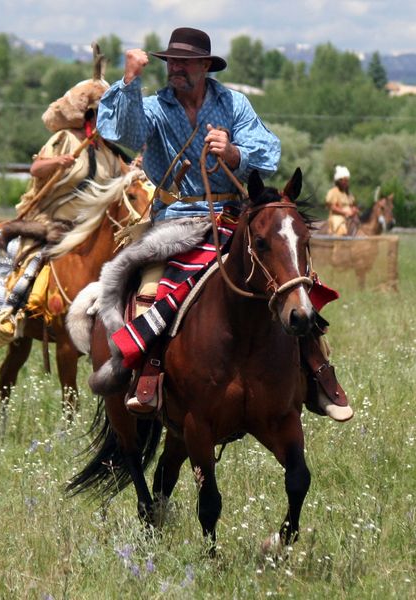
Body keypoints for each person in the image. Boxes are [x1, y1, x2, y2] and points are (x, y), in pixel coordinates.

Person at [94, 27, 352, 422]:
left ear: (205, 66)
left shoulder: (234, 104)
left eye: (184, 62)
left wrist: (233, 154)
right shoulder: (154, 107)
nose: (175, 68)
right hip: (176, 223)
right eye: (171, 62)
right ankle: (149, 375)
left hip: (235, 217)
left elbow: (268, 151)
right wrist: (129, 81)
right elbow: (121, 133)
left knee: (291, 282)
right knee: (153, 287)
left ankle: (319, 377)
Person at [0, 67, 133, 352]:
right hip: (54, 220)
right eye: (102, 113)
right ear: (89, 115)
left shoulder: (111, 151)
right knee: (32, 256)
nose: (106, 119)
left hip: (93, 226)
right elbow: (37, 167)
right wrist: (57, 162)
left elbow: (126, 183)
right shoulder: (65, 139)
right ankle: (10, 310)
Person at [326, 165, 359, 236]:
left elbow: (352, 205)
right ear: (339, 181)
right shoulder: (333, 192)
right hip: (337, 217)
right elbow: (332, 207)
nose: (346, 183)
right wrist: (345, 213)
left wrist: (354, 210)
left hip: (350, 217)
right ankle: (338, 245)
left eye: (347, 181)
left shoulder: (348, 194)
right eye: (345, 181)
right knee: (341, 229)